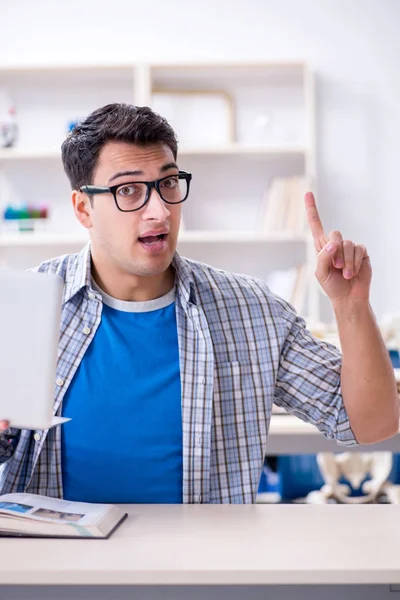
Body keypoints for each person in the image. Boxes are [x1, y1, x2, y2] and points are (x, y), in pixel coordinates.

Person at [0, 103, 398, 504]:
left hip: (203, 563)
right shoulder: (22, 309)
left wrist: (350, 305)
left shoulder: (250, 311)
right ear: (84, 208)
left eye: (169, 183)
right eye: (128, 190)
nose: (159, 212)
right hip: (55, 562)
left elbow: (372, 424)